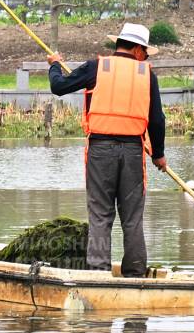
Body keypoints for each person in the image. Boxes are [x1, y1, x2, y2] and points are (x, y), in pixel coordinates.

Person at [48, 22, 166, 277]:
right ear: (136, 49)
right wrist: (159, 155)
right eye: (145, 52)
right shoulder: (148, 76)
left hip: (101, 150)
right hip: (133, 152)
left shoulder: (96, 68)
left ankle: (98, 273)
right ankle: (135, 273)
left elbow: (58, 87)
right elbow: (157, 120)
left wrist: (55, 65)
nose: (145, 58)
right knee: (132, 217)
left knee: (100, 215)